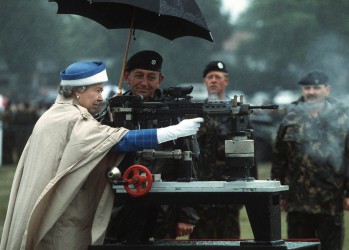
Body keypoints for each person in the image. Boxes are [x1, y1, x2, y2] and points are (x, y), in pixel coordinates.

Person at [0, 61, 203, 250]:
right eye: (97, 90)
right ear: (78, 91)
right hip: (63, 217)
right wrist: (173, 132)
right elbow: (119, 140)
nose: (100, 97)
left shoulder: (55, 114)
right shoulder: (73, 118)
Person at [105, 50, 199, 243]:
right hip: (119, 205)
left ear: (160, 80)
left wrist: (186, 214)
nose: (144, 83)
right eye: (138, 76)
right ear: (127, 77)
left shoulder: (172, 113)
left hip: (163, 206)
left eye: (151, 77)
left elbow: (191, 161)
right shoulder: (113, 112)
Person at [271, 70, 349, 250]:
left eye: (316, 87)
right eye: (307, 88)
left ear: (327, 89)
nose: (311, 92)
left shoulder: (342, 117)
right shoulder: (291, 117)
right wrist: (279, 194)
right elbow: (279, 158)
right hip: (297, 201)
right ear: (302, 90)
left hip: (330, 200)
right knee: (298, 247)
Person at [190, 61, 243, 239]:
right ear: (204, 81)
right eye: (209, 77)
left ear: (226, 81)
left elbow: (249, 155)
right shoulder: (196, 114)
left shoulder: (237, 114)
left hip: (230, 192)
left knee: (230, 242)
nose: (213, 81)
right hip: (201, 193)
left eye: (217, 77)